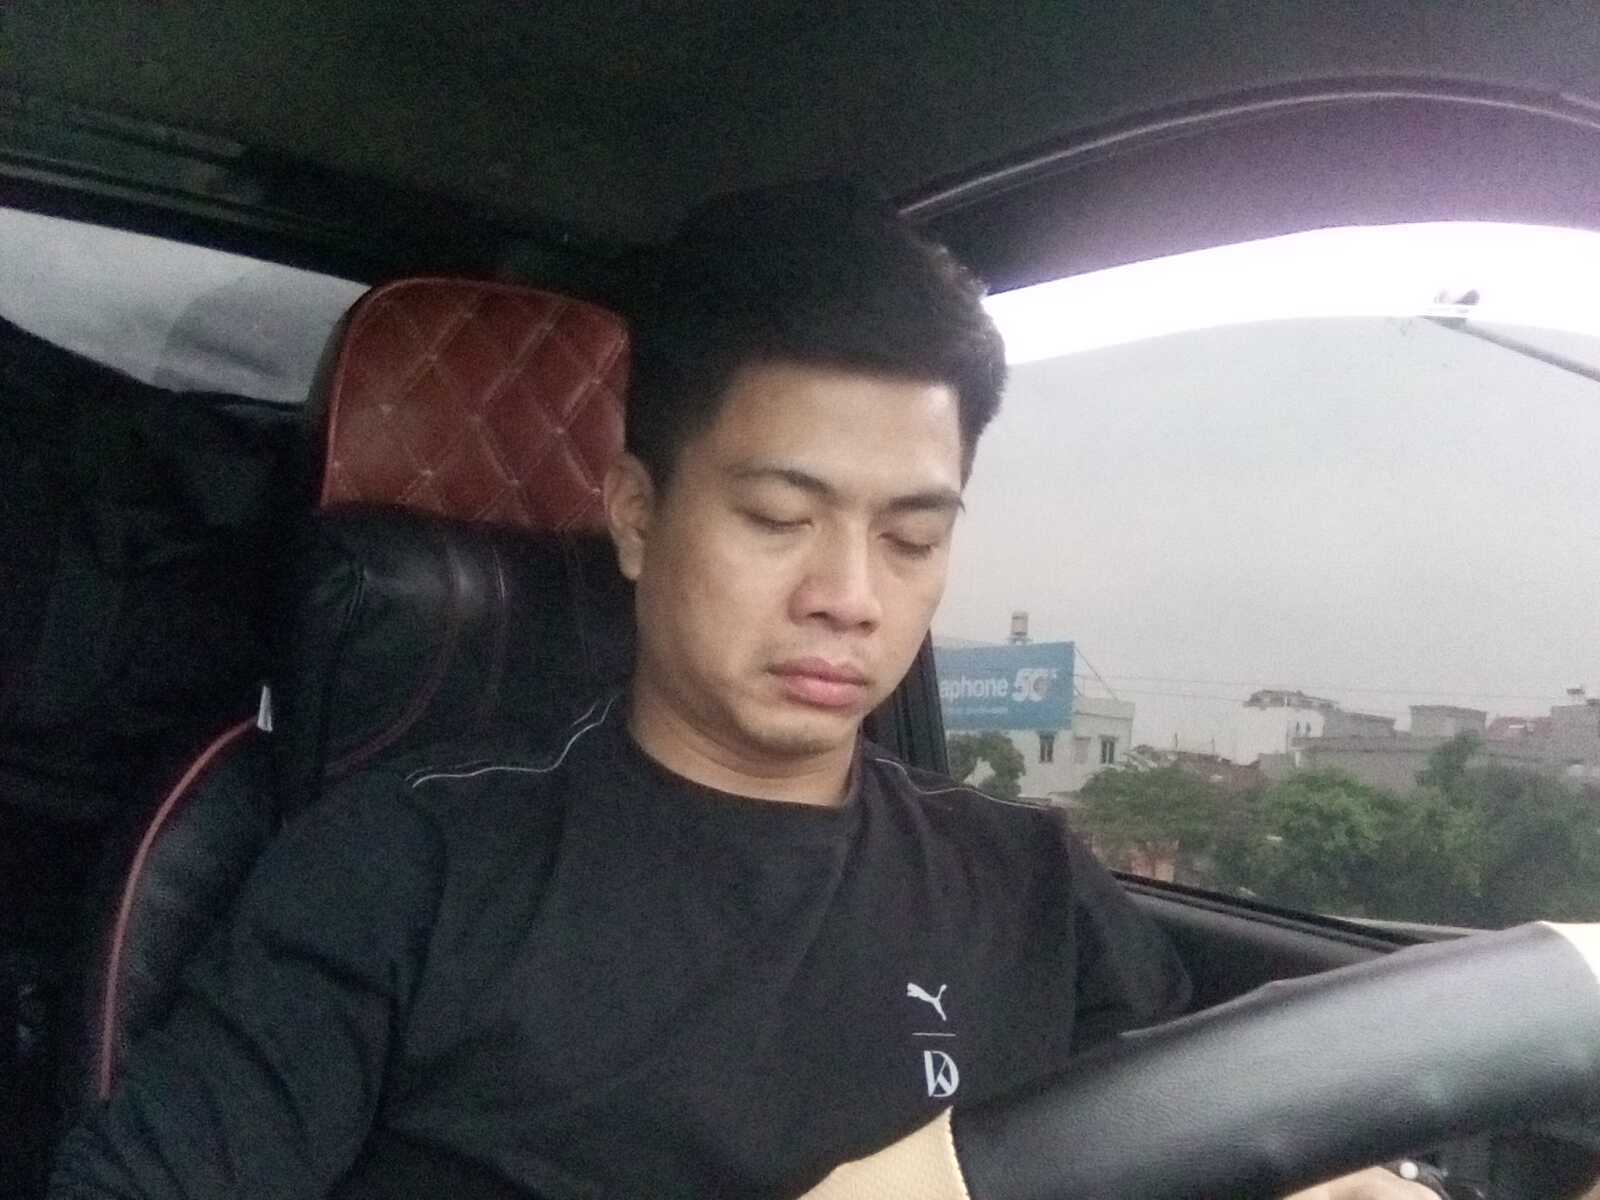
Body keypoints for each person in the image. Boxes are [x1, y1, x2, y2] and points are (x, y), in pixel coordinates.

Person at [49, 184, 1431, 1199]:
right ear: (637, 516)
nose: (851, 593)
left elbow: (1200, 1141)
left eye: (913, 537)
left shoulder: (1031, 886)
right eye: (779, 518)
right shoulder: (408, 865)